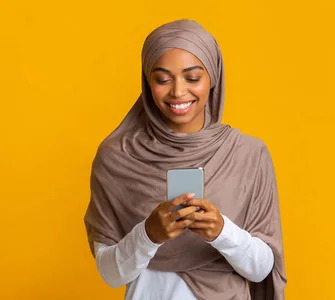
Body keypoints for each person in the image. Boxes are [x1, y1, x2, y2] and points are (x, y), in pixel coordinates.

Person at [83, 19, 286, 300]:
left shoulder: (248, 154)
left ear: (213, 77)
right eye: (163, 79)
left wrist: (221, 231)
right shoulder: (117, 157)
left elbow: (263, 269)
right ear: (147, 81)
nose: (178, 91)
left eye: (192, 77)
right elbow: (110, 274)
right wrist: (148, 235)